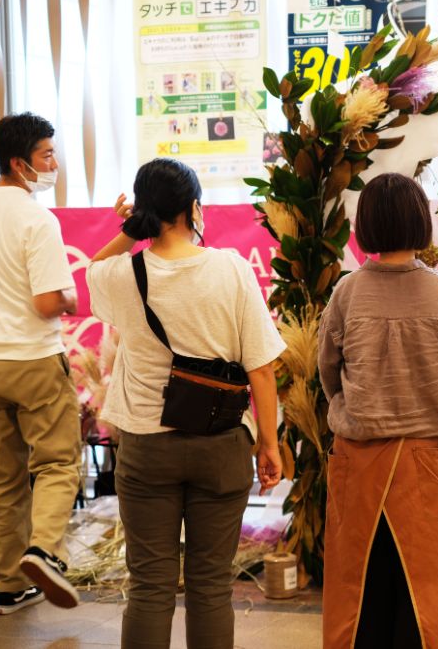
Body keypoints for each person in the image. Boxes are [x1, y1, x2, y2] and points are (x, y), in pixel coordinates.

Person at [86, 158, 285, 648]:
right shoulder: (232, 269)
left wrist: (128, 229)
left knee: (150, 588)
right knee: (211, 588)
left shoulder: (125, 273)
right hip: (221, 445)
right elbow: (261, 366)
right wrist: (269, 443)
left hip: (147, 448)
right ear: (195, 208)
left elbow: (92, 269)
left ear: (144, 214)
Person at [318, 172, 438, 647]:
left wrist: (352, 403)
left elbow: (328, 374)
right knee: (429, 601)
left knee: (360, 596)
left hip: (357, 460)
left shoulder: (347, 293)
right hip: (425, 464)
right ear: (421, 221)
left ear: (366, 226)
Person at [0, 112, 81, 615]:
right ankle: (44, 551)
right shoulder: (37, 218)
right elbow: (46, 302)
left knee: (1, 481)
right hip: (33, 359)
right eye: (46, 155)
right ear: (18, 163)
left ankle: (9, 585)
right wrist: (70, 298)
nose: (54, 163)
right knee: (58, 462)